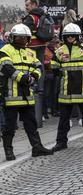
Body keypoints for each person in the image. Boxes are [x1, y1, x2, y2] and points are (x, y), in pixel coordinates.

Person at [1, 24, 53, 160]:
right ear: (13, 37)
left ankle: (37, 147)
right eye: (19, 37)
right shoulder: (5, 50)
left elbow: (39, 67)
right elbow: (6, 68)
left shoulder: (30, 52)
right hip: (11, 95)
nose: (22, 40)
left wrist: (34, 77)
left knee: (31, 123)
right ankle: (8, 151)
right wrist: (24, 78)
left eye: (25, 38)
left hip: (27, 96)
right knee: (9, 126)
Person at [51, 24, 83, 151]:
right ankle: (61, 142)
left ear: (78, 36)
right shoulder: (59, 51)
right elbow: (54, 67)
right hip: (66, 91)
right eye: (68, 36)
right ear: (64, 36)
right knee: (63, 120)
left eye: (73, 36)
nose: (71, 38)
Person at [21, 0, 48, 128]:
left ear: (34, 4)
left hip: (31, 49)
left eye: (27, 5)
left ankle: (33, 117)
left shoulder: (30, 18)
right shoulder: (43, 15)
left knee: (32, 81)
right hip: (42, 47)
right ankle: (40, 115)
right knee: (40, 78)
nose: (26, 7)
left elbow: (23, 32)